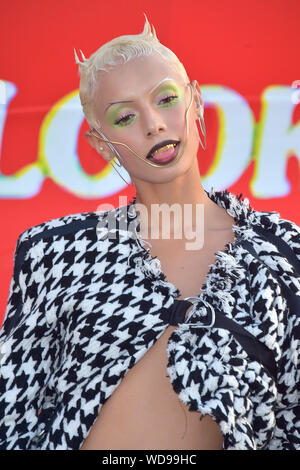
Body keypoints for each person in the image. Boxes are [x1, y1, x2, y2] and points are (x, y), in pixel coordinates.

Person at [0, 15, 299, 451]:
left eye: (166, 99)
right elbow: (14, 410)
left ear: (195, 100)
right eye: (124, 116)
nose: (153, 123)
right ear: (100, 142)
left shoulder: (282, 257)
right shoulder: (56, 253)